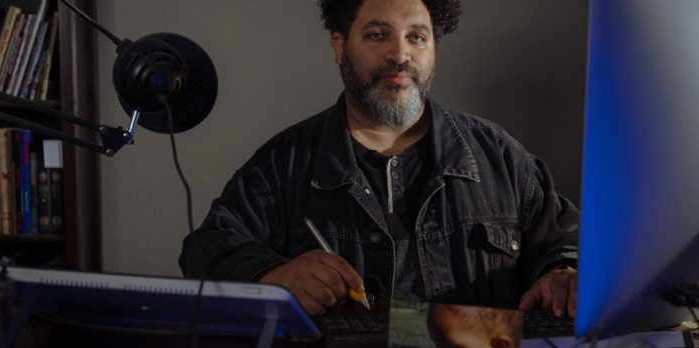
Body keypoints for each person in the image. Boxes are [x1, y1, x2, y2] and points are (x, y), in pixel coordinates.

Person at [179, 0, 579, 317]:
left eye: (417, 37)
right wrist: (275, 277)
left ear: (433, 50)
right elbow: (204, 250)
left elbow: (565, 242)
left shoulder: (500, 157)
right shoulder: (283, 165)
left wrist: (562, 273)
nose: (400, 54)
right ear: (340, 47)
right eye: (377, 35)